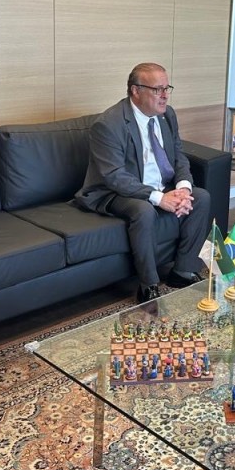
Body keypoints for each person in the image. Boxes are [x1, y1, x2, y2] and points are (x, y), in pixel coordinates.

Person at [74, 62, 210, 303]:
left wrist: (182, 189)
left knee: (200, 197)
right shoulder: (109, 124)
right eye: (157, 89)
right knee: (144, 210)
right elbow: (114, 175)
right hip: (113, 191)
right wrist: (159, 198)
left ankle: (182, 271)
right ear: (135, 91)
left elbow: (178, 155)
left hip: (160, 184)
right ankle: (149, 284)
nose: (165, 95)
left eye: (167, 88)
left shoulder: (167, 115)